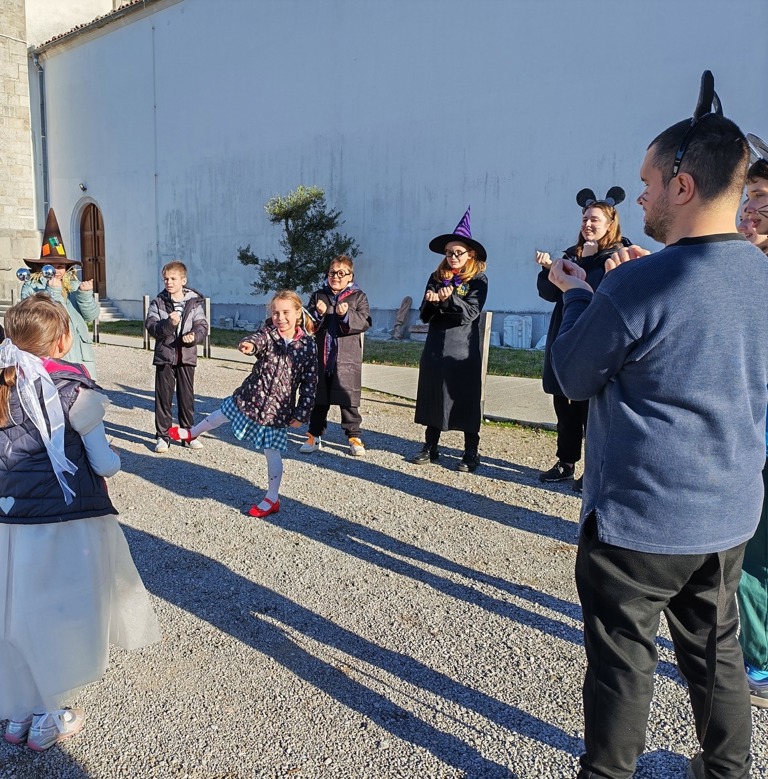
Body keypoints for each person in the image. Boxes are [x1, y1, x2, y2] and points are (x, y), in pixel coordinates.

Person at [547, 72, 768, 779]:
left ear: (682, 185)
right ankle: (729, 768)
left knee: (622, 663)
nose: (636, 195)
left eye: (646, 180)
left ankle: (609, 772)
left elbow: (572, 377)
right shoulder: (758, 275)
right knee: (715, 650)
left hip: (638, 524)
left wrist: (583, 296)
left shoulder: (634, 285)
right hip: (728, 511)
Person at [0, 294, 159, 751]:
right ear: (64, 340)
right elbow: (105, 464)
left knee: (14, 609)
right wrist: (116, 464)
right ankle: (52, 714)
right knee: (57, 610)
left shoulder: (4, 384)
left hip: (9, 521)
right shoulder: (75, 392)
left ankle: (16, 715)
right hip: (63, 523)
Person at [169, 290, 317, 518]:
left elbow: (309, 382)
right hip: (250, 397)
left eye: (286, 312)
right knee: (221, 413)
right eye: (276, 313)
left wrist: (302, 412)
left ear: (298, 313)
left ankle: (272, 498)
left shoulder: (307, 345)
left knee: (272, 452)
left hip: (277, 410)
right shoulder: (269, 334)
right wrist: (248, 344)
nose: (280, 318)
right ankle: (192, 432)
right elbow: (257, 340)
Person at [535, 187, 630, 493]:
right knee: (563, 403)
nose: (588, 224)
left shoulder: (619, 255)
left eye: (595, 220)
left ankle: (594, 470)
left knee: (594, 409)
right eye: (585, 219)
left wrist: (588, 265)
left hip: (595, 337)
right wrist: (548, 269)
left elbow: (603, 291)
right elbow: (549, 293)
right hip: (565, 330)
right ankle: (565, 462)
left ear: (610, 224)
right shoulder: (570, 254)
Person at [411, 207, 488, 473]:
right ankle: (430, 446)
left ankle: (471, 452)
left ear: (471, 254)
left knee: (464, 398)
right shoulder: (436, 278)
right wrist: (433, 302)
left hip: (463, 348)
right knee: (434, 394)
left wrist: (449, 298)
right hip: (436, 345)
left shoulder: (478, 280)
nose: (453, 257)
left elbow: (470, 313)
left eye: (458, 253)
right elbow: (424, 314)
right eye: (449, 253)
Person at [737, 138, 768, 709]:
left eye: (762, 197)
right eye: (748, 197)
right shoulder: (733, 266)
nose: (750, 208)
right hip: (746, 441)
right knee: (753, 559)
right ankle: (759, 662)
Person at [299, 255, 371, 456]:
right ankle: (314, 435)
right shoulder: (319, 296)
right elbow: (308, 325)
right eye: (332, 273)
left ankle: (353, 436)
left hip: (346, 357)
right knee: (319, 398)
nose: (336, 277)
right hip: (322, 356)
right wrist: (318, 314)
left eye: (342, 273)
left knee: (348, 398)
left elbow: (365, 321)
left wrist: (345, 316)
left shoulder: (358, 296)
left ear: (350, 276)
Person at [20, 208, 99, 378]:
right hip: (51, 355)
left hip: (80, 355)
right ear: (42, 267)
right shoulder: (31, 287)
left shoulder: (73, 284)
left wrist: (85, 295)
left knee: (83, 400)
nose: (57, 271)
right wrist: (52, 293)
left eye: (61, 266)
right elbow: (38, 319)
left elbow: (91, 316)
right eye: (52, 266)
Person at [144, 261, 208, 453]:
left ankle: (188, 433)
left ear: (183, 280)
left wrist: (193, 336)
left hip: (186, 356)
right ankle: (163, 436)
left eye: (173, 278)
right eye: (165, 279)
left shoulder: (194, 303)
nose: (168, 282)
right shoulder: (158, 302)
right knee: (163, 398)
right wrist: (169, 324)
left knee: (186, 398)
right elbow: (152, 327)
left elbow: (202, 326)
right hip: (165, 356)